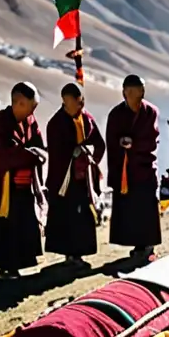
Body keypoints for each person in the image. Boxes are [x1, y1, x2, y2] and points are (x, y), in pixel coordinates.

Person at [0, 82, 47, 280]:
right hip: (3, 185)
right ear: (19, 103)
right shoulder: (1, 121)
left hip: (24, 185)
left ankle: (18, 266)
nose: (33, 111)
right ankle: (5, 268)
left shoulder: (30, 121)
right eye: (31, 106)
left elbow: (39, 145)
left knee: (22, 225)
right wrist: (31, 155)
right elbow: (2, 155)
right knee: (5, 227)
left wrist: (38, 154)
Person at [45, 82, 106, 266]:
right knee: (67, 217)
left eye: (81, 102)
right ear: (65, 101)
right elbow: (56, 152)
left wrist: (90, 157)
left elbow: (99, 144)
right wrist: (73, 153)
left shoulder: (86, 119)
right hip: (65, 180)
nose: (80, 106)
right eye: (76, 103)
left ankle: (80, 254)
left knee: (83, 217)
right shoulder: (55, 124)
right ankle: (70, 256)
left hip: (84, 178)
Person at [105, 75, 162, 261]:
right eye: (131, 92)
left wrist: (133, 144)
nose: (136, 96)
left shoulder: (151, 112)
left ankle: (148, 246)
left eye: (139, 92)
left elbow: (152, 140)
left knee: (146, 208)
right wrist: (121, 145)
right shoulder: (116, 115)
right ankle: (138, 246)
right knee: (131, 210)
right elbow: (111, 143)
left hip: (145, 168)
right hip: (125, 172)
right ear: (124, 93)